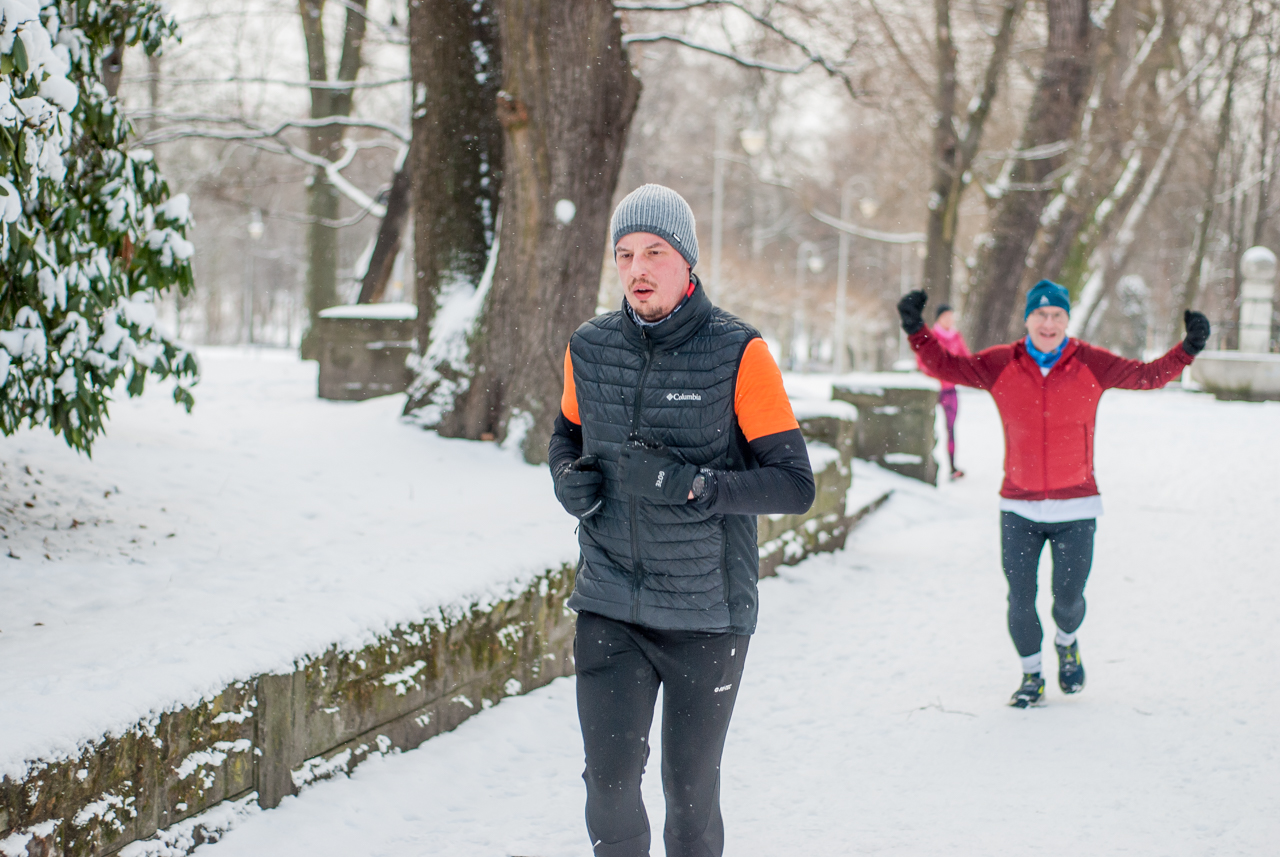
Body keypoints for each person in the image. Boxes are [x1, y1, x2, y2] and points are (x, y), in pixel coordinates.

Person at [549, 184, 815, 857]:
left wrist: (696, 486)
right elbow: (565, 438)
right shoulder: (589, 348)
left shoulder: (738, 353)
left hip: (707, 615)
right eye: (625, 254)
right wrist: (566, 481)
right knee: (608, 788)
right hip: (610, 602)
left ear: (687, 262)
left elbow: (794, 485)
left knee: (689, 798)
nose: (637, 268)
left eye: (655, 252)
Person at [897, 280, 1210, 708]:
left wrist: (1189, 347)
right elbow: (946, 367)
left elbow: (1148, 376)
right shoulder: (1001, 362)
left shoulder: (1091, 363)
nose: (1048, 323)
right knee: (1021, 600)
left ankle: (1067, 642)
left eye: (1057, 315)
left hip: (1076, 507)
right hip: (1019, 508)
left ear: (1067, 320)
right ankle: (1031, 677)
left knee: (1067, 601)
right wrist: (915, 328)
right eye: (1040, 315)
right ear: (1027, 319)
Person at [915, 303, 971, 479]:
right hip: (934, 389)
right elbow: (921, 362)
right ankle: (926, 467)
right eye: (946, 316)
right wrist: (936, 373)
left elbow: (966, 357)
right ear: (939, 318)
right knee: (927, 427)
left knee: (951, 429)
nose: (950, 319)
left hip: (950, 389)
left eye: (951, 316)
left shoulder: (956, 337)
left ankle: (952, 467)